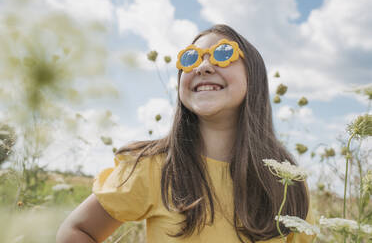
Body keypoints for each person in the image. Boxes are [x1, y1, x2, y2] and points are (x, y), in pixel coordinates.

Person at [56, 24, 316, 243]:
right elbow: (77, 230)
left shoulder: (286, 181)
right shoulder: (153, 167)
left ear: (254, 77)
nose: (203, 66)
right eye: (191, 58)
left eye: (222, 53)